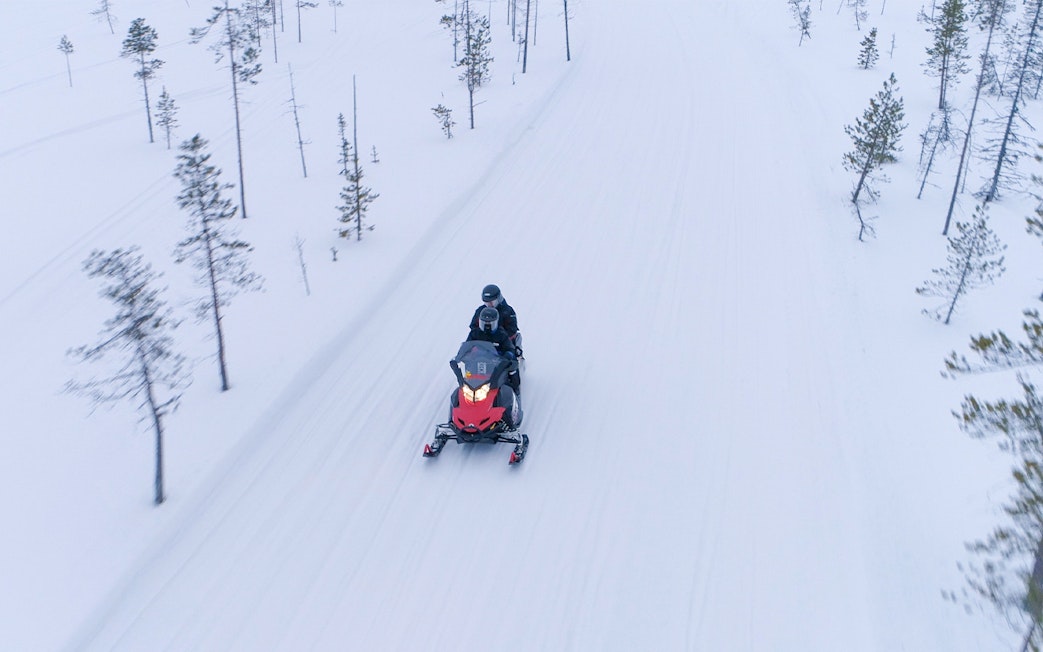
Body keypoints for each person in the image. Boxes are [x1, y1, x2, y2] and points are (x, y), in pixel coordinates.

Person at [467, 306, 521, 394]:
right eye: (484, 323)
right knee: (468, 375)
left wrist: (508, 355)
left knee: (512, 368)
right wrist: (462, 356)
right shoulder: (475, 333)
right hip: (479, 361)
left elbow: (509, 348)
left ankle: (515, 391)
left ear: (496, 322)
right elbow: (467, 345)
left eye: (490, 323)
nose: (487, 326)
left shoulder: (501, 334)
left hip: (497, 362)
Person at [469, 284, 521, 355]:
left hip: (502, 343)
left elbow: (512, 328)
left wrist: (500, 336)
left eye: (492, 302)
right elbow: (473, 326)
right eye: (487, 303)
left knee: (509, 353)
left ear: (498, 299)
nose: (489, 305)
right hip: (483, 342)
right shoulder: (481, 311)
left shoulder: (507, 311)